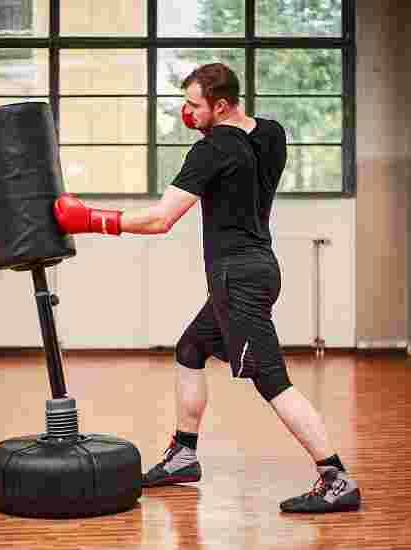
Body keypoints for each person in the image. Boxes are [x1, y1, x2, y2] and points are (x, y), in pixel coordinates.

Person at [52, 63, 361, 513]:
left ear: (221, 105)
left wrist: (92, 220)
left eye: (195, 106)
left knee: (271, 380)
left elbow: (160, 219)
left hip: (237, 279)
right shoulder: (272, 135)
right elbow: (244, 151)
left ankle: (335, 477)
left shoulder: (213, 150)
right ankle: (184, 455)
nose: (186, 113)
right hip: (260, 268)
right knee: (191, 349)